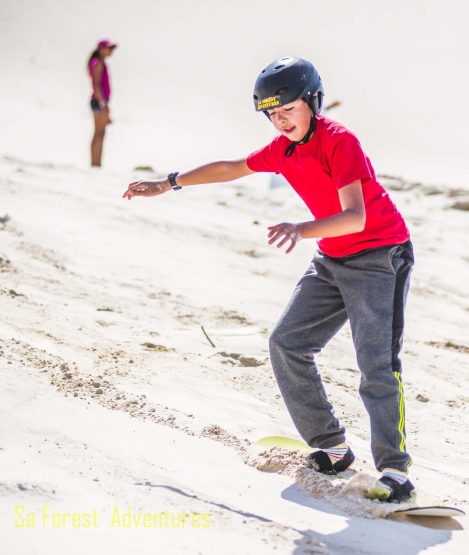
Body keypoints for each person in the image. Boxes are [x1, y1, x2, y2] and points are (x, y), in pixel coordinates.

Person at [122, 57, 415, 502]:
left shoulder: (341, 142)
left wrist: (300, 229)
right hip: (332, 259)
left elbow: (355, 217)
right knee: (287, 343)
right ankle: (333, 447)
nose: (280, 121)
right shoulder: (283, 150)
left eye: (288, 110)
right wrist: (167, 184)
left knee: (375, 364)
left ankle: (395, 471)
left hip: (380, 257)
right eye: (272, 114)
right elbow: (229, 168)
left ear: (312, 102)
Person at [87, 39, 117, 167]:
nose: (111, 51)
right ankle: (95, 164)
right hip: (99, 101)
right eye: (108, 48)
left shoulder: (101, 63)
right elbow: (96, 84)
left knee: (100, 133)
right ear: (101, 49)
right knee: (99, 133)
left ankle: (96, 163)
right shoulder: (98, 63)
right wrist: (102, 103)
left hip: (101, 101)